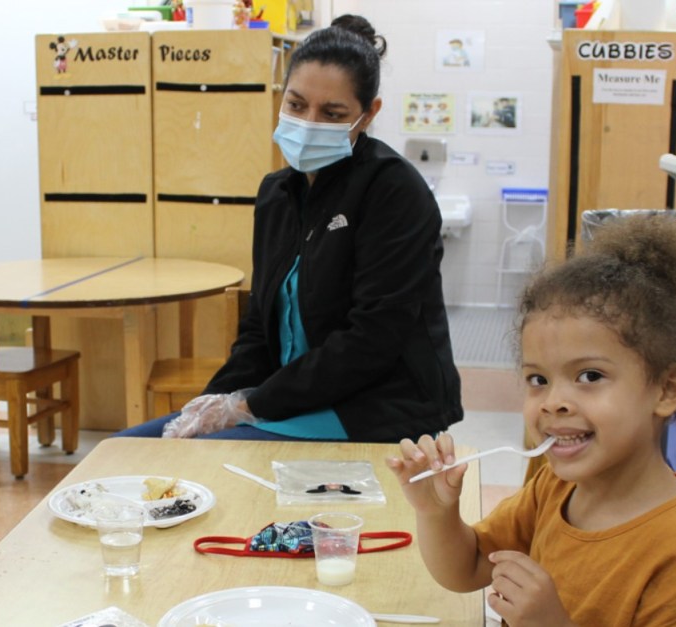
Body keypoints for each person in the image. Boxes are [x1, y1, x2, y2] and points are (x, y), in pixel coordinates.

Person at [116, 15, 462, 443]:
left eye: (332, 113)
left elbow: (372, 340)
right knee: (126, 449)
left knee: (201, 459)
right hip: (286, 398)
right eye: (297, 105)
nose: (309, 122)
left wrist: (247, 407)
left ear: (368, 114)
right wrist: (214, 403)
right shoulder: (277, 194)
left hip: (374, 407)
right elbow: (260, 328)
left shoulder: (394, 191)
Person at [388, 217, 676, 625]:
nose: (553, 402)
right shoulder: (555, 487)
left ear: (666, 389)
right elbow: (466, 569)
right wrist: (436, 514)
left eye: (590, 376)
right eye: (538, 379)